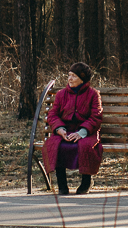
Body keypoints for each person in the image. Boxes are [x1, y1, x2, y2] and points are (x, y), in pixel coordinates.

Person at [42, 62, 103, 195]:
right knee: (56, 145)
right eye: (69, 75)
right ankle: (62, 184)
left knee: (86, 147)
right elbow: (53, 114)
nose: (69, 79)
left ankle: (86, 182)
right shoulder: (61, 94)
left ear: (82, 79)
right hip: (65, 131)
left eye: (73, 76)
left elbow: (96, 116)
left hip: (86, 132)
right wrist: (59, 129)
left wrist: (82, 132)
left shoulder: (93, 94)